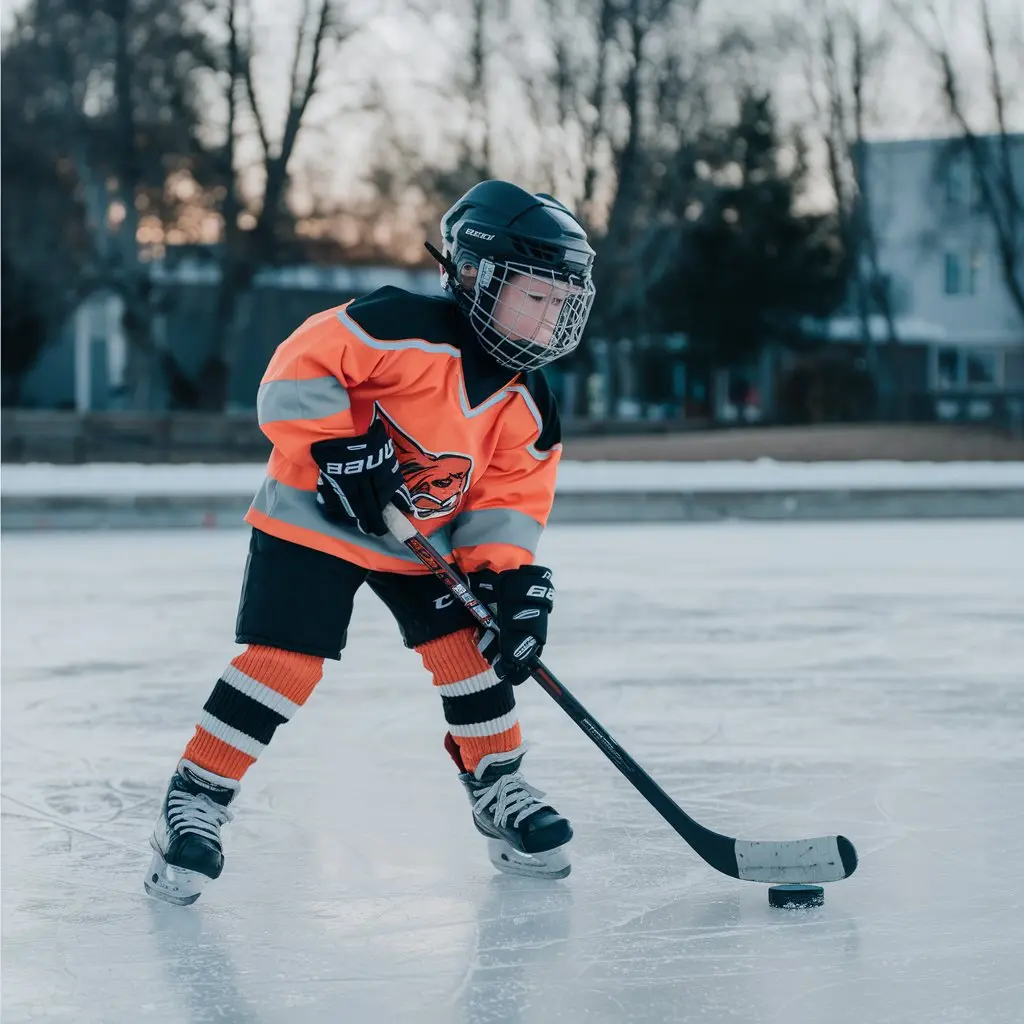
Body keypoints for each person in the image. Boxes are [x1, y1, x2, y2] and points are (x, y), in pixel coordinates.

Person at [144, 180, 598, 905]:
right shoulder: (397, 323)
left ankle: (499, 787)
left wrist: (507, 583)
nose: (549, 318)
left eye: (560, 302)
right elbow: (296, 369)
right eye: (534, 295)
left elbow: (509, 500)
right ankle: (194, 799)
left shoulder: (528, 401)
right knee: (284, 661)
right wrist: (340, 447)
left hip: (418, 536)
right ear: (476, 276)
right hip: (312, 517)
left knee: (473, 655)